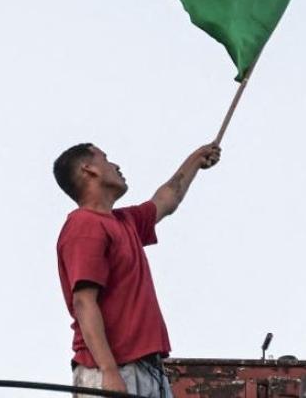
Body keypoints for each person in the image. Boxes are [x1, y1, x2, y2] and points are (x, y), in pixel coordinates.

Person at [53, 142, 221, 397]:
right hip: (112, 371)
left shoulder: (124, 222)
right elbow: (84, 302)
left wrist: (196, 159)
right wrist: (109, 372)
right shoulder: (85, 225)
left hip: (148, 370)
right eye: (106, 158)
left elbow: (167, 199)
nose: (116, 165)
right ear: (89, 170)